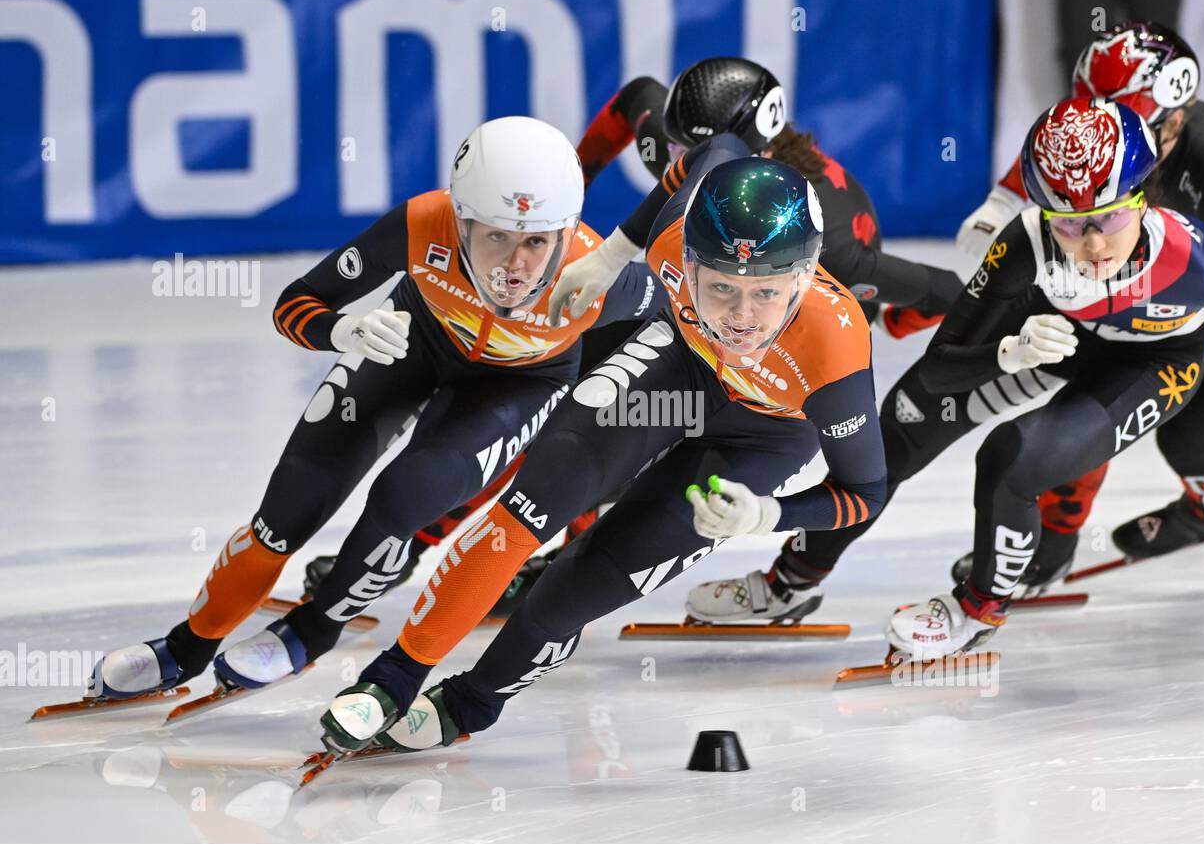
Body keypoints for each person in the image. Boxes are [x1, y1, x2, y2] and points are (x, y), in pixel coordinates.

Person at [298, 56, 966, 604]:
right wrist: (575, 186)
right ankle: (416, 542)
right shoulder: (683, 140)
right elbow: (631, 104)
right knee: (567, 398)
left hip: (770, 333)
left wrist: (907, 322)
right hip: (690, 288)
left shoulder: (828, 244)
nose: (677, 164)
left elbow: (939, 289)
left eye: (691, 155)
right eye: (676, 150)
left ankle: (560, 543)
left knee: (619, 415)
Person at [310, 144, 891, 754]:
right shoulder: (669, 241)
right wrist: (614, 255)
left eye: (768, 293)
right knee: (528, 508)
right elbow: (714, 151)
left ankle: (472, 703)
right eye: (720, 289)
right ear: (687, 267)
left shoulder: (834, 345)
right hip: (679, 372)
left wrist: (770, 515)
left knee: (576, 590)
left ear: (806, 275)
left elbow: (865, 493)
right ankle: (395, 677)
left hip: (765, 436)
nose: (742, 319)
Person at [84, 117, 665, 703]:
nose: (513, 266)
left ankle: (314, 629)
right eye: (495, 236)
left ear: (565, 235)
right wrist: (342, 330)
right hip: (411, 341)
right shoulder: (422, 223)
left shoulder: (598, 275)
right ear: (459, 220)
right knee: (285, 510)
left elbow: (690, 307)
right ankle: (186, 646)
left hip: (518, 385)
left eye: (536, 241)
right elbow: (296, 304)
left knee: (406, 496)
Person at [887, 96, 1204, 659]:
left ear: (1146, 198)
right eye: (1071, 226)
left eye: (1108, 218)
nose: (1094, 245)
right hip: (1069, 339)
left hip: (1156, 364)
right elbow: (939, 371)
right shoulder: (1025, 243)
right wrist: (1006, 352)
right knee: (922, 415)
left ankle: (977, 608)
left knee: (1010, 456)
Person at [955, 21, 1204, 571]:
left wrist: (1143, 333)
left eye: (1119, 128)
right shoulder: (1137, 137)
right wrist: (1000, 203)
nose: (1099, 143)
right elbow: (1066, 156)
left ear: (1175, 123)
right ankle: (1057, 535)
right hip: (1202, 286)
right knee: (1100, 388)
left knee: (1182, 434)